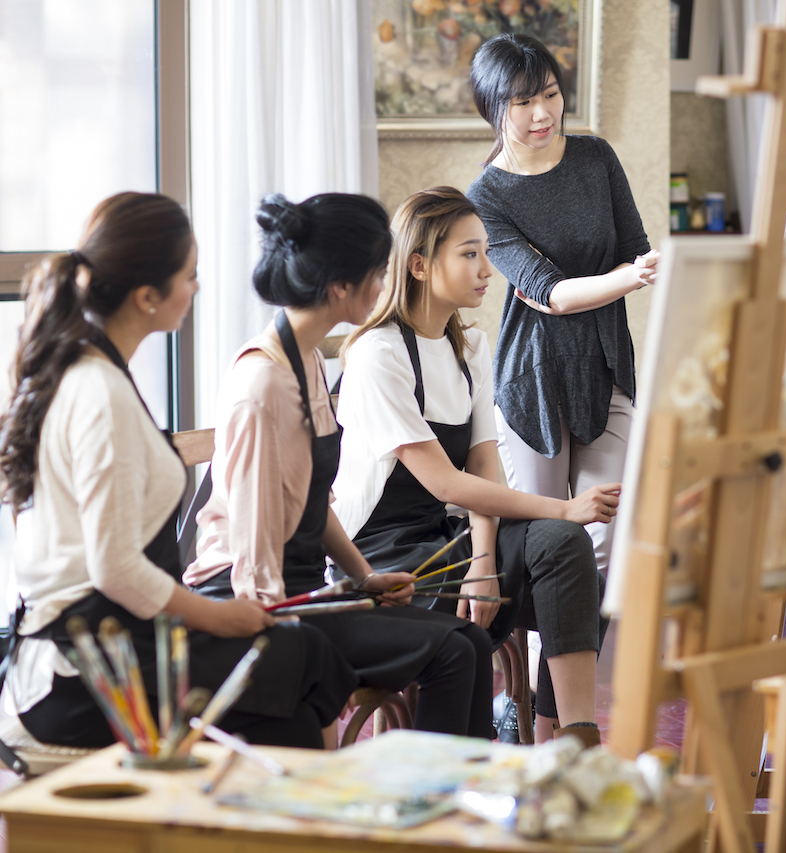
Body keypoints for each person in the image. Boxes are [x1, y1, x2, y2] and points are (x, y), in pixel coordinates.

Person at [0, 192, 357, 749]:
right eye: (190, 275)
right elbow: (115, 568)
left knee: (295, 692)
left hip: (111, 640)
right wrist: (217, 618)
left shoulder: (94, 372)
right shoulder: (98, 392)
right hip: (83, 667)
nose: (196, 288)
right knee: (302, 657)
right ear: (147, 295)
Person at [183, 192, 492, 739]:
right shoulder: (264, 385)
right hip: (253, 604)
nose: (386, 285)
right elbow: (254, 564)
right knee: (451, 649)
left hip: (305, 590)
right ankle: (429, 808)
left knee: (466, 641)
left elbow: (313, 505)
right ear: (340, 286)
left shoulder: (307, 361)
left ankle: (460, 803)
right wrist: (284, 642)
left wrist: (364, 578)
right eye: (378, 272)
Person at [334, 188, 616, 747]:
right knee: (563, 527)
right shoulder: (378, 355)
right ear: (419, 265)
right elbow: (443, 480)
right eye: (469, 254)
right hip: (383, 556)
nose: (488, 270)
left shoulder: (471, 349)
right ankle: (485, 756)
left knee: (567, 550)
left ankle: (566, 740)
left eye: (486, 252)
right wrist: (562, 505)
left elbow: (483, 467)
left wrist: (483, 560)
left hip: (450, 538)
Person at [466, 33, 657, 581]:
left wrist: (633, 268)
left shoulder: (596, 157)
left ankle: (568, 667)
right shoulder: (485, 197)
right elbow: (549, 293)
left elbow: (632, 250)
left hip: (606, 367)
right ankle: (541, 664)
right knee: (546, 546)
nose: (542, 113)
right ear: (493, 108)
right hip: (534, 379)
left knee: (604, 542)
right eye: (522, 103)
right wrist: (631, 277)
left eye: (549, 94)